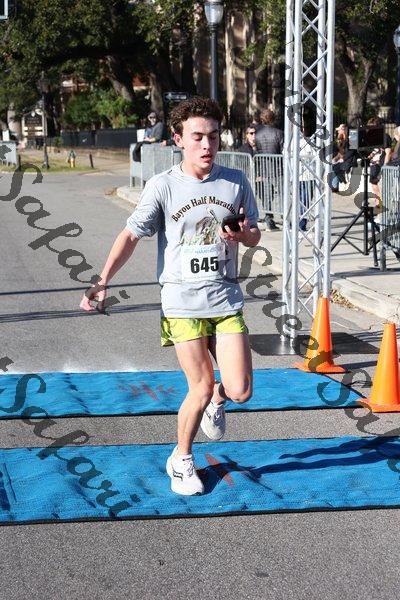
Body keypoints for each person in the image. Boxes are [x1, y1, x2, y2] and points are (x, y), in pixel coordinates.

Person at [80, 97, 261, 496]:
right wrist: (103, 279)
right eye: (197, 137)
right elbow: (131, 235)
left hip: (225, 298)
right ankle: (181, 459)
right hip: (182, 303)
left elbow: (254, 234)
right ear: (178, 139)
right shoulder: (162, 186)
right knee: (199, 385)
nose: (207, 145)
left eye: (213, 136)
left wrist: (242, 235)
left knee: (240, 390)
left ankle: (218, 400)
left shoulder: (235, 181)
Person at [255, 108, 284, 231]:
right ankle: (284, 217)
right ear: (273, 119)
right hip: (278, 169)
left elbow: (258, 151)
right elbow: (283, 150)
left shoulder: (258, 135)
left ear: (262, 120)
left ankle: (269, 220)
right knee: (283, 194)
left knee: (267, 196)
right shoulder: (279, 133)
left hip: (264, 169)